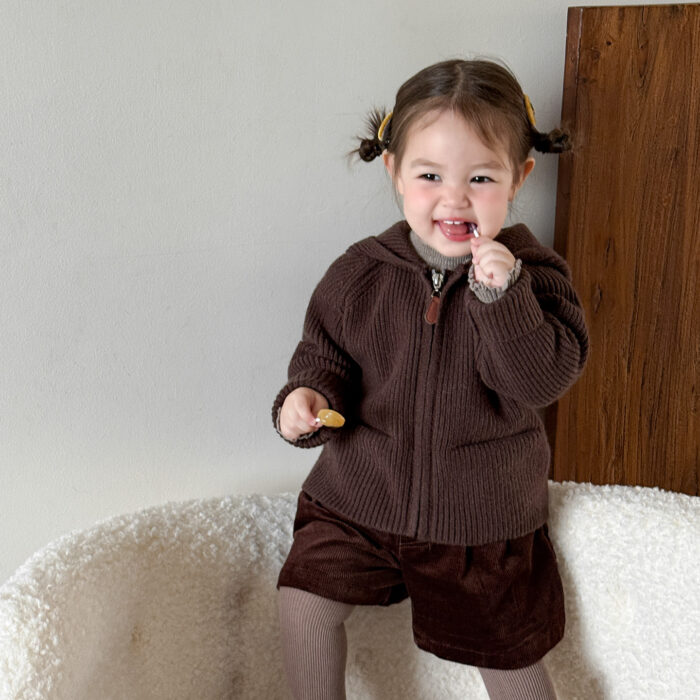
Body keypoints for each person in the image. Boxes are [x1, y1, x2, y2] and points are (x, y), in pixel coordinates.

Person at [272, 58, 589, 699]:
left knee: (510, 656)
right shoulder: (361, 272)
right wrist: (306, 399)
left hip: (481, 519)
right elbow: (323, 357)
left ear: (519, 176)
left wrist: (503, 298)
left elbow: (540, 382)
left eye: (481, 177)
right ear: (394, 171)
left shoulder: (536, 277)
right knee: (303, 602)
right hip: (357, 501)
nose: (454, 198)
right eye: (429, 176)